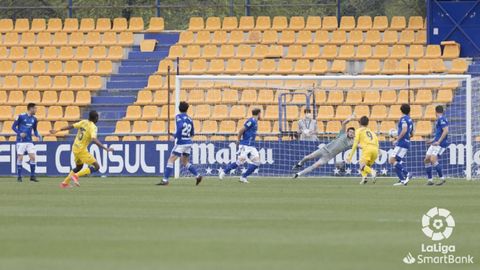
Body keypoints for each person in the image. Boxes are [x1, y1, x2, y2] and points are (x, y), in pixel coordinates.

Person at [50, 111, 113, 188]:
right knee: (96, 167)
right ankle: (76, 176)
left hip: (75, 147)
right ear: (96, 118)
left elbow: (71, 126)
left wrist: (58, 130)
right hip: (81, 150)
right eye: (97, 117)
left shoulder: (83, 122)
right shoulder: (93, 127)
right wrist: (105, 148)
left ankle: (65, 183)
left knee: (79, 167)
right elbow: (94, 139)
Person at [157, 101, 202, 186]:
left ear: (179, 108)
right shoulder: (190, 119)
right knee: (184, 162)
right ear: (187, 109)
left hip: (181, 143)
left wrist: (174, 136)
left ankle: (165, 180)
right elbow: (192, 133)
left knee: (170, 160)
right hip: (188, 142)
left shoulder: (178, 117)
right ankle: (198, 175)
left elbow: (181, 126)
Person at [219, 108, 261, 183]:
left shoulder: (255, 121)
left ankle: (243, 177)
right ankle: (224, 172)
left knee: (257, 162)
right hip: (245, 144)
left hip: (251, 146)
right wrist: (238, 139)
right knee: (240, 161)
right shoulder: (251, 121)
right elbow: (242, 129)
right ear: (259, 113)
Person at [12, 103, 41, 182]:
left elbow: (35, 130)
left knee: (33, 157)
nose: (36, 110)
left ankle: (32, 176)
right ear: (31, 108)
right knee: (20, 158)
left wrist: (37, 135)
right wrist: (20, 133)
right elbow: (13, 127)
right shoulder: (20, 116)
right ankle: (19, 176)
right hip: (21, 141)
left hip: (29, 141)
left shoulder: (34, 119)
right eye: (35, 108)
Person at [346, 116, 379, 184]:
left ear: (360, 123)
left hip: (367, 149)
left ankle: (372, 172)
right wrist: (378, 151)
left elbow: (355, 144)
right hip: (375, 150)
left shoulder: (358, 131)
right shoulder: (372, 132)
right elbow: (377, 143)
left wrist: (350, 157)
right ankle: (364, 178)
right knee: (365, 165)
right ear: (367, 123)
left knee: (362, 165)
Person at [425, 105, 449, 186]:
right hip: (435, 142)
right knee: (427, 159)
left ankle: (442, 179)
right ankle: (430, 180)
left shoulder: (442, 119)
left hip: (440, 144)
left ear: (436, 112)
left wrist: (438, 141)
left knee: (433, 159)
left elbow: (445, 131)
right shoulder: (440, 119)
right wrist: (432, 140)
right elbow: (439, 133)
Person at [392, 104, 414, 186]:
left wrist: (396, 140)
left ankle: (407, 173)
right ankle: (402, 180)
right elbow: (412, 133)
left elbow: (404, 130)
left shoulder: (403, 119)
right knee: (396, 162)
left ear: (401, 110)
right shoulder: (410, 120)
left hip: (402, 143)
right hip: (406, 142)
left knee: (391, 160)